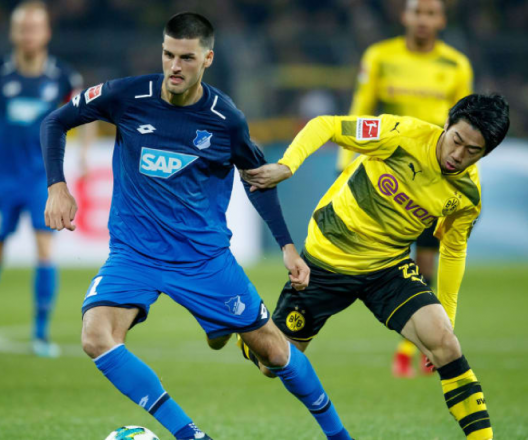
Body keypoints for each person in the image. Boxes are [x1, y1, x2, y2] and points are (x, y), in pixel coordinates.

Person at [40, 12, 353, 440]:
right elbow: (55, 121)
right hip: (135, 254)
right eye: (168, 54)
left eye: (186, 58)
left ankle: (339, 436)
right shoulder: (126, 95)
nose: (174, 66)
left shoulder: (226, 119)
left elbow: (257, 180)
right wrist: (57, 186)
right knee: (96, 336)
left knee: (275, 353)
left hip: (203, 259)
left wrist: (286, 246)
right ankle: (191, 435)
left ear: (207, 58)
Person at [241, 93, 509, 440]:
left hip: (388, 269)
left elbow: (454, 251)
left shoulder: (468, 195)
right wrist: (287, 165)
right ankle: (243, 328)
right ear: (447, 124)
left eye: (473, 151)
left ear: (486, 153)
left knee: (446, 344)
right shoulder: (400, 134)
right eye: (456, 140)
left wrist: (449, 317)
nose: (458, 155)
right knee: (272, 364)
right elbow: (326, 125)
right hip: (327, 261)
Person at [337, 0, 474, 376]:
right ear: (405, 16)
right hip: (387, 177)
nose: (423, 19)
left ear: (441, 19)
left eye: (431, 13)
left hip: (434, 181)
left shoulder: (456, 65)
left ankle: (412, 348)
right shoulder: (380, 56)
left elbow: (467, 123)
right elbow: (362, 106)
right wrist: (345, 160)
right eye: (417, 12)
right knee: (377, 262)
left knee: (426, 264)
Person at [0, 1, 88, 357]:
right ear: (13, 32)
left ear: (47, 32)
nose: (28, 35)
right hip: (3, 178)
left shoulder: (63, 77)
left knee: (45, 250)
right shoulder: (3, 74)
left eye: (34, 28)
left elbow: (86, 111)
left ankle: (40, 333)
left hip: (41, 180)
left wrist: (83, 153)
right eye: (23, 28)